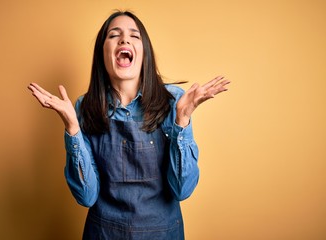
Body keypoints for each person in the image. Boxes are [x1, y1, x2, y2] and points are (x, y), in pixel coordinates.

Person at [28, 10, 230, 240]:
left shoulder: (174, 102)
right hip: (103, 234)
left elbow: (182, 190)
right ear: (102, 53)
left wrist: (182, 121)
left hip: (162, 233)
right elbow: (86, 196)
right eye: (114, 35)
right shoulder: (85, 107)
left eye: (134, 36)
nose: (124, 39)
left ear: (144, 52)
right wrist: (72, 130)